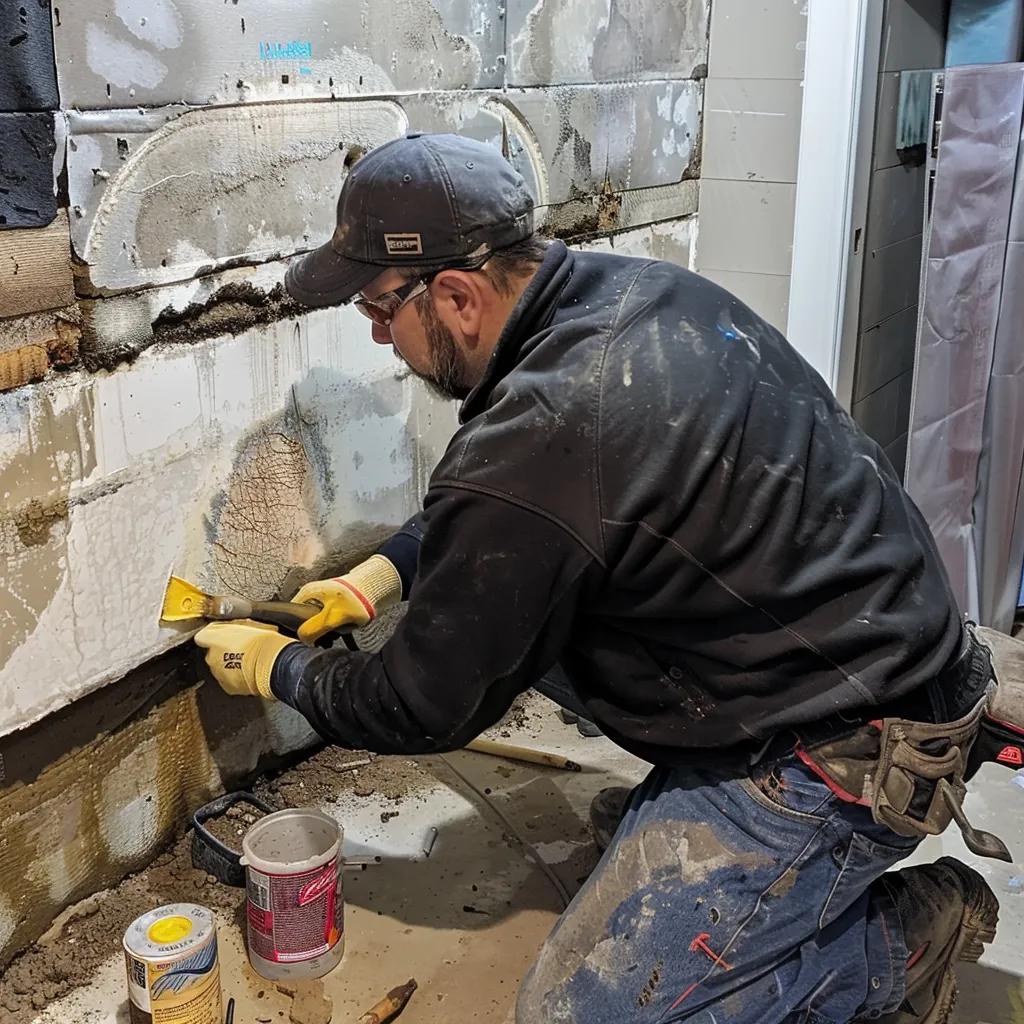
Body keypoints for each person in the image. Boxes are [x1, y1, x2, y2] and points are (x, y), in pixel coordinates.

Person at [195, 133, 1004, 1024]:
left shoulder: (545, 426)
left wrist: (281, 671)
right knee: (521, 627)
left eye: (381, 310)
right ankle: (706, 836)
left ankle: (901, 940)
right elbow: (517, 521)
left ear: (456, 296)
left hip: (851, 746)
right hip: (847, 650)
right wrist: (381, 575)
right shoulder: (626, 296)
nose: (383, 339)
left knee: (577, 1013)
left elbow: (420, 705)